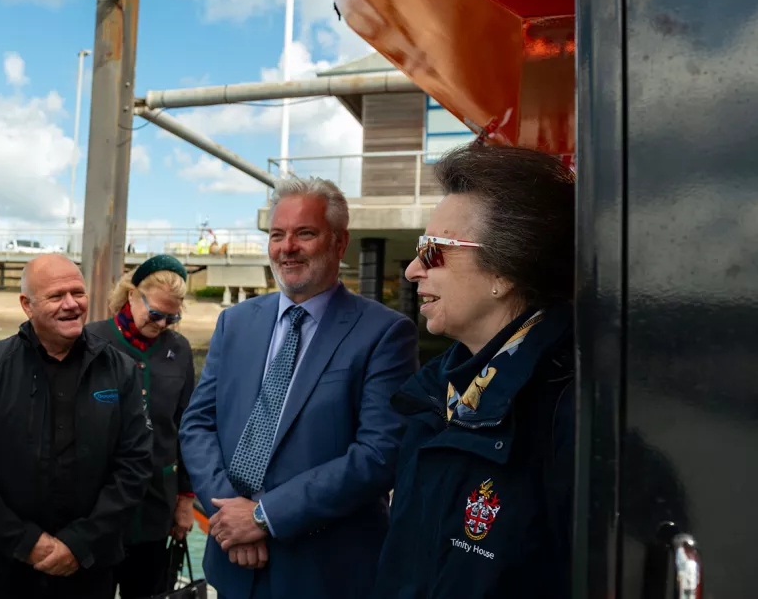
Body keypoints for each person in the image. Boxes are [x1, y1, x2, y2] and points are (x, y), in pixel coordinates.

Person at [179, 176, 419, 599]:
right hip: (231, 561)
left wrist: (264, 516)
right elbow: (197, 424)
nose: (287, 247)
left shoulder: (385, 333)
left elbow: (379, 454)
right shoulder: (234, 323)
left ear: (340, 243)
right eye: (277, 234)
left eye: (304, 233)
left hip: (324, 571)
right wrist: (230, 515)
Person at [373, 144, 575, 598]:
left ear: (505, 269)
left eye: (432, 251)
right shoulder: (437, 394)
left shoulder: (571, 414)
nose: (410, 270)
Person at [0, 254, 153, 599]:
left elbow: (134, 466)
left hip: (88, 570)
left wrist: (79, 543)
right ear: (27, 305)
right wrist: (25, 542)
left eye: (78, 293)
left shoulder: (120, 370)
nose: (72, 304)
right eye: (57, 296)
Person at [86, 255, 197, 598]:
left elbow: (187, 426)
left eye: (173, 317)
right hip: (95, 508)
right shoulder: (91, 340)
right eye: (157, 313)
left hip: (154, 509)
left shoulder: (178, 350)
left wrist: (185, 499)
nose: (163, 324)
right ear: (132, 295)